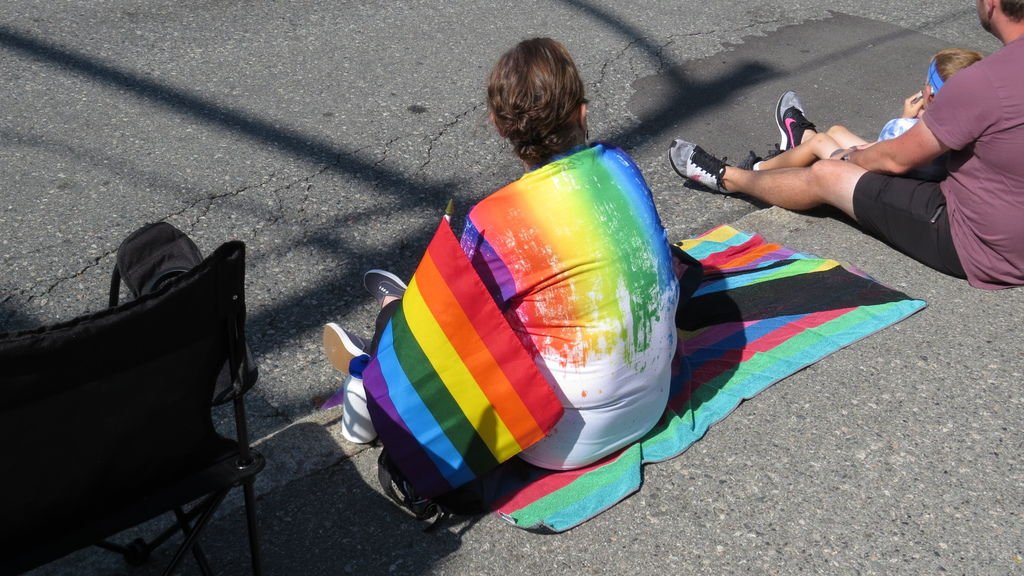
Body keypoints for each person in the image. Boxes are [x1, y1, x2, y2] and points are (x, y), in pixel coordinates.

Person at [324, 38, 681, 471]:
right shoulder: (621, 165)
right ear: (582, 113)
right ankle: (388, 322)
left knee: (421, 323)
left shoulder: (494, 218)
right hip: (652, 403)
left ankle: (368, 373)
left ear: (497, 124)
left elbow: (461, 324)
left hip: (556, 440)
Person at [668, 0, 1024, 289]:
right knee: (841, 152)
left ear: (992, 4)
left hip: (981, 244)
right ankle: (802, 142)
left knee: (828, 173)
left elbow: (897, 159)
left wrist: (848, 158)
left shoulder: (986, 81)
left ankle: (729, 177)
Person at [745, 48, 982, 182]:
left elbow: (888, 148)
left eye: (924, 85)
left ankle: (758, 171)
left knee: (819, 142)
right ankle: (797, 144)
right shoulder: (966, 123)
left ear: (929, 94)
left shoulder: (910, 128)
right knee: (837, 131)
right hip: (909, 172)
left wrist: (905, 118)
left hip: (877, 176)